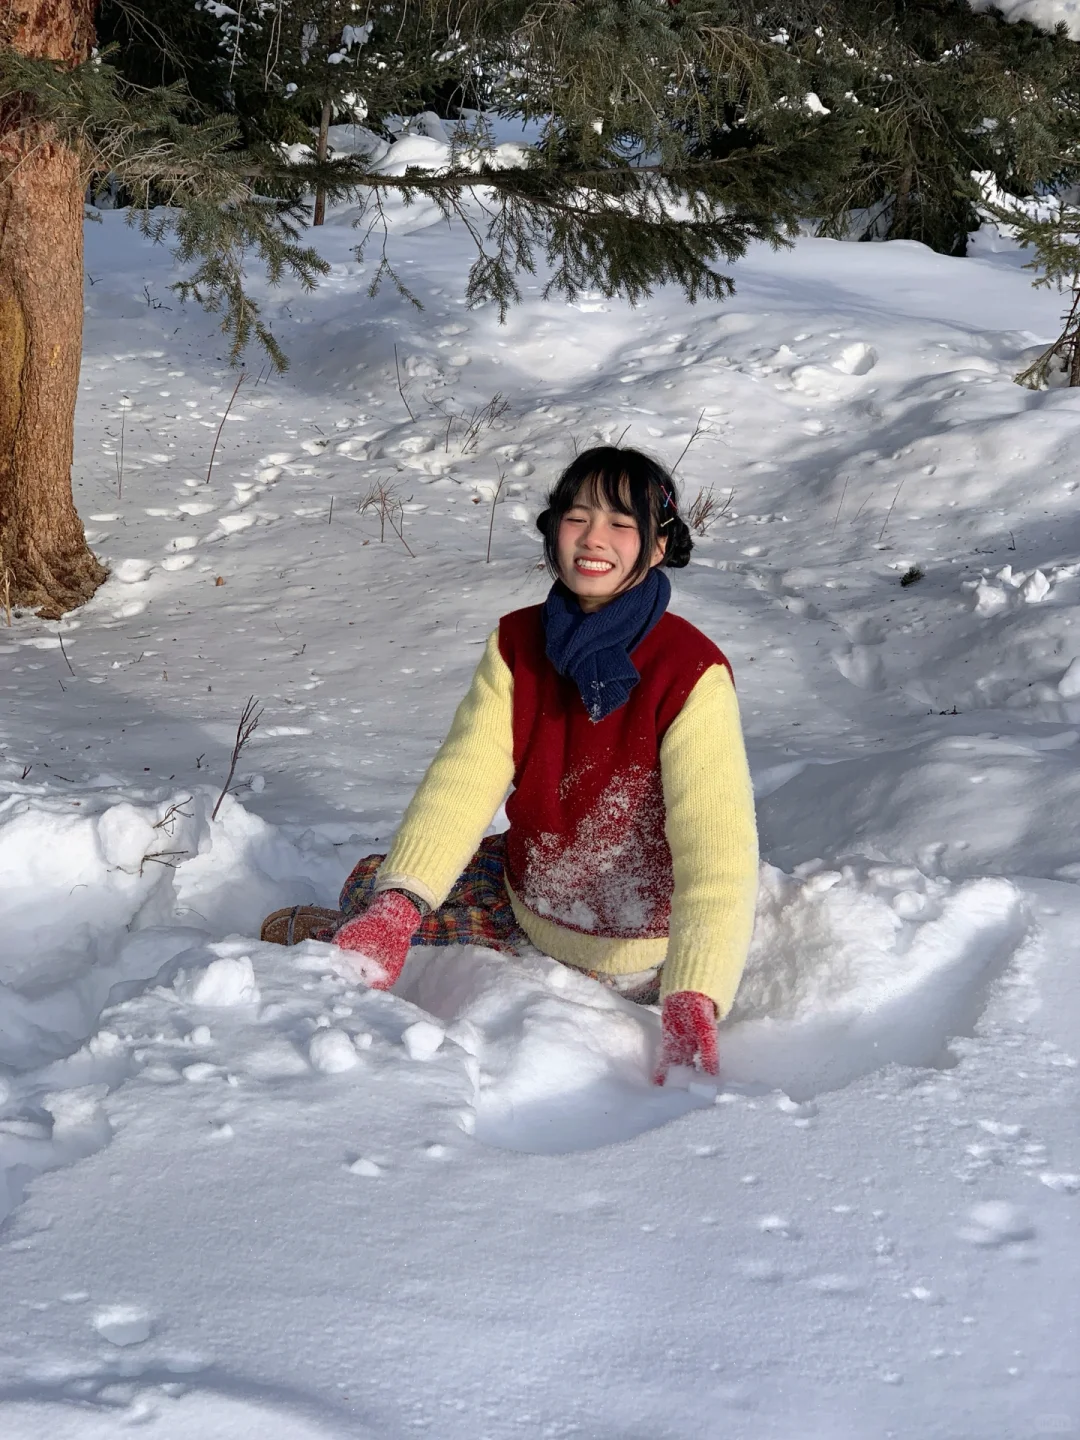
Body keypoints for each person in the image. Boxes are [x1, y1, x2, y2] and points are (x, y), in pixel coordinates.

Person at [276, 446, 759, 1084]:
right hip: (525, 890)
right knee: (382, 882)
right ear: (553, 529)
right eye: (577, 516)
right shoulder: (517, 643)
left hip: (632, 952)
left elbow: (717, 851)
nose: (594, 539)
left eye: (621, 524)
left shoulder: (690, 671)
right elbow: (462, 782)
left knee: (379, 898)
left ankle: (336, 938)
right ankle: (371, 925)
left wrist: (694, 995)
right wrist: (398, 905)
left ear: (658, 545)